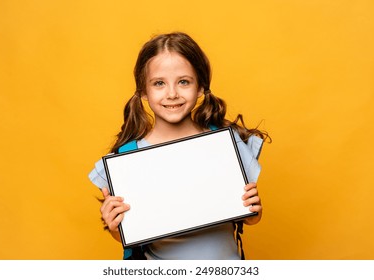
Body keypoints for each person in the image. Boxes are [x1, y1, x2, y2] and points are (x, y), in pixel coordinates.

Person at [89, 32, 270, 260]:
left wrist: (253, 211)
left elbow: (249, 217)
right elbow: (129, 238)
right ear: (143, 91)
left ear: (201, 87)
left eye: (183, 82)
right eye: (159, 83)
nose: (172, 93)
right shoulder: (126, 160)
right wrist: (115, 227)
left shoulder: (227, 144)